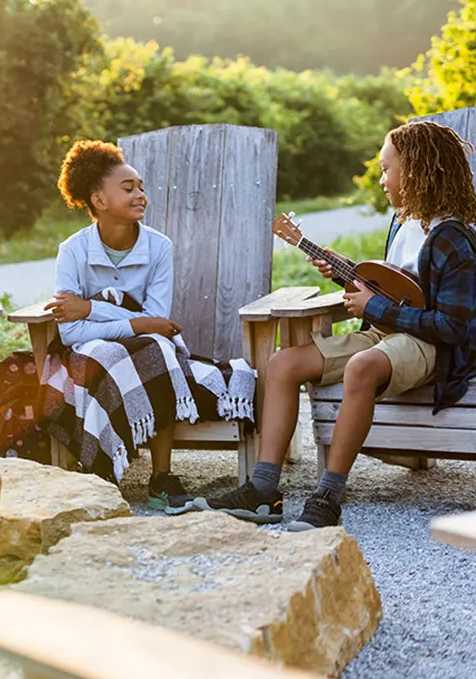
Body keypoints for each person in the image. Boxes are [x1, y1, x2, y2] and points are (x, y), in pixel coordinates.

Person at [190, 120, 476, 530]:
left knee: (362, 366)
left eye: (386, 169)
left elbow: (452, 327)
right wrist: (345, 274)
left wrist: (374, 306)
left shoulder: (453, 238)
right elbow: (397, 288)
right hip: (387, 334)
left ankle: (327, 497)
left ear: (415, 171)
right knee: (283, 363)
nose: (381, 179)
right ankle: (263, 490)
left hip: (430, 344)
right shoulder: (403, 222)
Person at [31, 140, 193, 511]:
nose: (140, 195)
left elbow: (158, 324)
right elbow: (70, 333)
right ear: (99, 201)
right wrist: (135, 323)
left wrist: (91, 307)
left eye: (141, 187)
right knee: (104, 355)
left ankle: (162, 477)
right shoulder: (73, 251)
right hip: (93, 348)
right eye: (128, 188)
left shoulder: (158, 247)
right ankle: (100, 470)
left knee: (157, 351)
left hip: (146, 345)